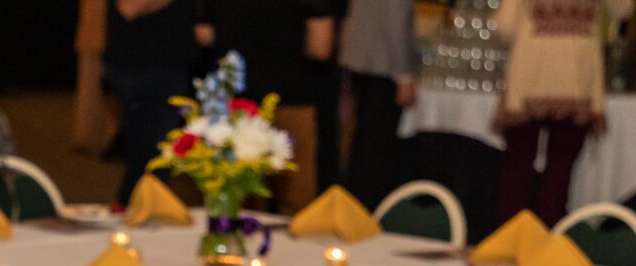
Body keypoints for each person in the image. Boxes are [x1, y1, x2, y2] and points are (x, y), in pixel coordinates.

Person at [494, 0, 633, 224]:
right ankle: (549, 241)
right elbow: (623, 9)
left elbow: (505, 26)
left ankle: (513, 241)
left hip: (529, 81)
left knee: (518, 171)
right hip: (578, 82)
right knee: (559, 172)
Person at [196, 0, 340, 210]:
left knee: (235, 197)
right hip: (290, 95)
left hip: (236, 101)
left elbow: (204, 34)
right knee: (295, 203)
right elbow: (320, 47)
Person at [103, 0, 197, 205]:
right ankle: (128, 221)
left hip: (162, 63)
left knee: (154, 161)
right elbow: (130, 7)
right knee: (151, 163)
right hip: (145, 68)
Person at [339, 0, 421, 210]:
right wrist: (404, 75)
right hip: (382, 61)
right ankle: (367, 212)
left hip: (364, 55)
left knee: (363, 141)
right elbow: (397, 17)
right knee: (376, 149)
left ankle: (354, 208)